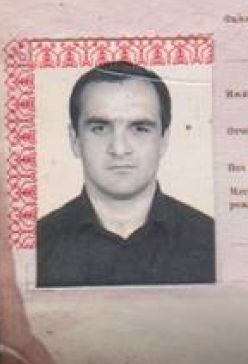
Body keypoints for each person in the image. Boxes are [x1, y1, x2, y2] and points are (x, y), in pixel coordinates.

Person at [37, 61, 215, 287]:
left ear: (164, 140)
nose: (119, 149)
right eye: (100, 128)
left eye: (140, 128)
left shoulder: (213, 242)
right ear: (74, 140)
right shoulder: (35, 247)